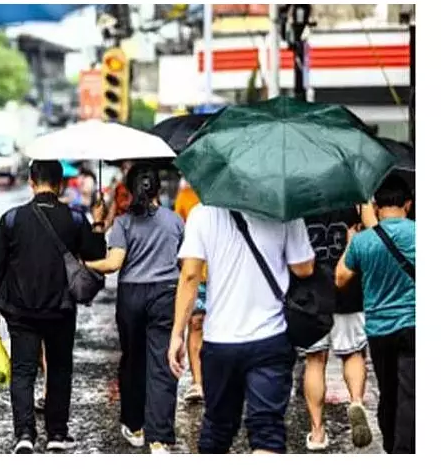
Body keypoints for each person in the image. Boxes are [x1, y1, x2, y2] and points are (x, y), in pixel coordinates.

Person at [169, 203, 315, 454]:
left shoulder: (202, 213)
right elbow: (304, 268)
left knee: (217, 429)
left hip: (219, 341)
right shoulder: (284, 208)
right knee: (268, 431)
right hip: (270, 336)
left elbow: (190, 275)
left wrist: (177, 334)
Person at [0, 160, 106, 454]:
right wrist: (98, 222)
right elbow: (96, 255)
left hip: (20, 310)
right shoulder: (75, 219)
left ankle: (24, 434)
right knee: (60, 368)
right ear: (60, 184)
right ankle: (57, 433)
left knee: (23, 371)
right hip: (61, 309)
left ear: (31, 182)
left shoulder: (12, 219)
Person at [85, 164, 184, 454]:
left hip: (131, 296)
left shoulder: (124, 223)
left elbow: (113, 264)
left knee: (132, 360)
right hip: (165, 292)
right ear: (158, 189)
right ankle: (159, 438)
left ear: (128, 190)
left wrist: (84, 264)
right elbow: (184, 262)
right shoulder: (175, 221)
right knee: (162, 363)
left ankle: (135, 425)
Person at [336, 175, 415, 454]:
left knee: (388, 391)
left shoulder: (364, 241)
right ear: (408, 204)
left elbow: (341, 278)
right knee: (412, 391)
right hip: (415, 323)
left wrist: (350, 242)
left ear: (377, 207)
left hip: (380, 330)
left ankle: (393, 446)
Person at [301, 207, 372, 450]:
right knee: (353, 353)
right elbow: (373, 230)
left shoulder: (299, 203)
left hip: (311, 294)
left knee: (315, 360)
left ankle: (317, 432)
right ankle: (356, 401)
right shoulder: (351, 199)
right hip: (348, 288)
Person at [173, 178, 207, 403]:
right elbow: (179, 231)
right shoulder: (185, 197)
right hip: (198, 272)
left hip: (226, 274)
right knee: (195, 323)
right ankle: (198, 381)